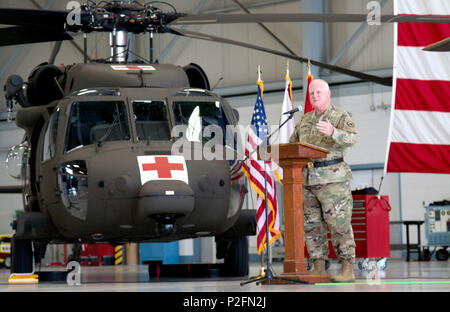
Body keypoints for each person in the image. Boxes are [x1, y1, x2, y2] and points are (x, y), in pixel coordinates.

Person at [289, 79, 357, 282]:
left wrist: (333, 132)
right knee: (311, 226)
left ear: (328, 94)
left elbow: (352, 138)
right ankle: (318, 266)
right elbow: (293, 144)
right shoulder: (305, 120)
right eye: (312, 93)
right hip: (307, 180)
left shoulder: (340, 116)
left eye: (319, 92)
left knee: (338, 224)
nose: (315, 96)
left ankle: (347, 269)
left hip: (333, 180)